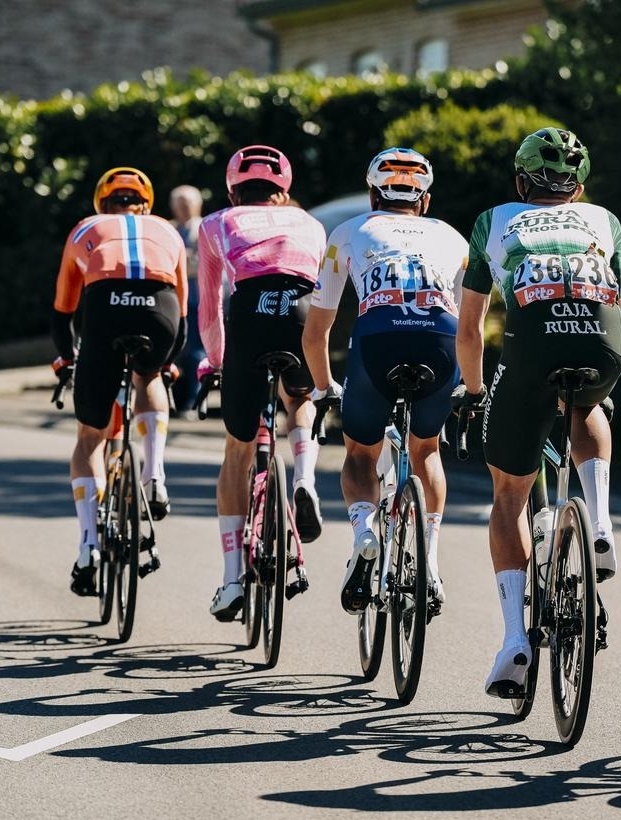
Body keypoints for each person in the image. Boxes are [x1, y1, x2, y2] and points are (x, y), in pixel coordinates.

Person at [454, 127, 621, 698]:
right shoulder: (604, 219)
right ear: (579, 188)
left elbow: (472, 325)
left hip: (533, 346)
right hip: (604, 340)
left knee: (508, 494)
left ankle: (513, 643)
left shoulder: (493, 220)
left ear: (520, 181)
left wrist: (475, 393)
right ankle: (600, 520)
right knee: (590, 401)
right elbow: (614, 300)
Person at [302, 148, 468, 615]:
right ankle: (430, 566)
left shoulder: (347, 232)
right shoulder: (454, 238)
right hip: (441, 341)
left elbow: (316, 332)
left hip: (377, 343)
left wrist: (322, 389)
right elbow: (466, 320)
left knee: (359, 453)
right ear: (426, 200)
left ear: (372, 195)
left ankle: (364, 532)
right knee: (427, 449)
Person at [197, 144, 328, 622]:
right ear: (284, 190)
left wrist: (215, 363)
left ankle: (232, 579)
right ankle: (306, 478)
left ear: (233, 190)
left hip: (249, 316)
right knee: (300, 397)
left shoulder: (215, 224)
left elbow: (210, 307)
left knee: (238, 449)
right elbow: (325, 290)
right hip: (300, 312)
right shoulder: (311, 223)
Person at [52, 166, 188, 597]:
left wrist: (66, 361)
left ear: (102, 203)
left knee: (90, 437)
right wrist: (167, 362)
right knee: (149, 376)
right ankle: (155, 472)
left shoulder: (84, 228)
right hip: (160, 308)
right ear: (145, 203)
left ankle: (88, 544)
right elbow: (181, 311)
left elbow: (62, 311)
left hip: (105, 306)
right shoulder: (167, 230)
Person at [169, 185, 207, 411]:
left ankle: (195, 400)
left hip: (198, 300)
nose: (183, 208)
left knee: (196, 353)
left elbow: (202, 265)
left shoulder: (204, 228)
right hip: (174, 302)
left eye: (187, 203)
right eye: (179, 203)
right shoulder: (169, 229)